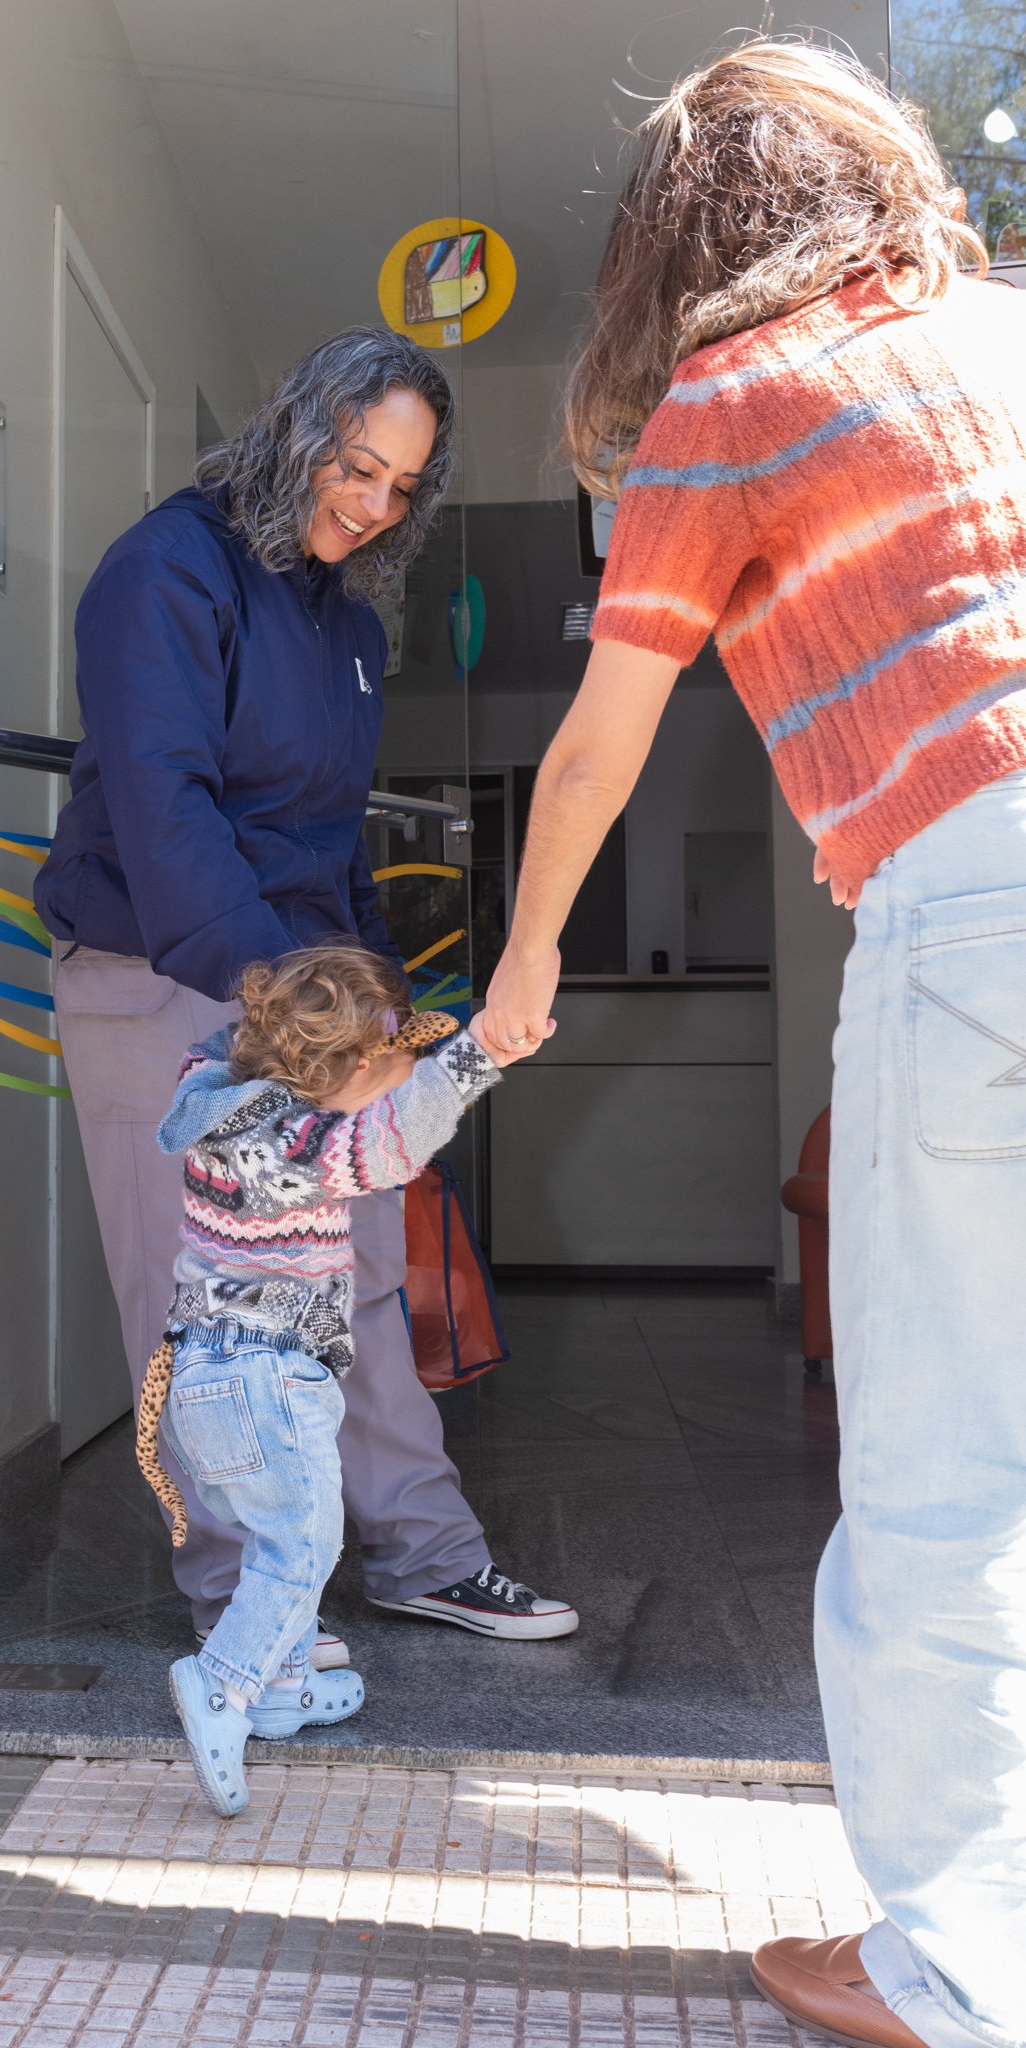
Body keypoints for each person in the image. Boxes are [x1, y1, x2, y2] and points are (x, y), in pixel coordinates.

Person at [479, 40, 1026, 2048]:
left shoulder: (727, 396)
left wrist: (522, 966)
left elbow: (600, 738)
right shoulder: (1001, 328)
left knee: (946, 1472)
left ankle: (955, 1969)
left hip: (971, 902)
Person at [34, 325, 577, 1664]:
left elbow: (330, 836)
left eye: (400, 485)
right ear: (294, 430)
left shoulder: (342, 627)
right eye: (352, 464)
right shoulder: (166, 569)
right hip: (166, 976)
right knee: (200, 1295)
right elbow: (166, 805)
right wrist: (275, 992)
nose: (371, 502)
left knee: (369, 1272)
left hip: (306, 997)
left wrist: (376, 1014)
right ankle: (242, 1598)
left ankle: (425, 1556)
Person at [141, 945, 508, 1816]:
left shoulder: (214, 1089)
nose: (391, 1087)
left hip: (207, 1370)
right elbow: (387, 1143)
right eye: (384, 1071)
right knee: (300, 1548)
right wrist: (477, 1055)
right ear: (335, 1068)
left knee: (273, 1536)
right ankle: (222, 1684)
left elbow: (302, 1061)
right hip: (267, 1377)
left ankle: (283, 1685)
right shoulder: (291, 1148)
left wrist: (390, 1035)